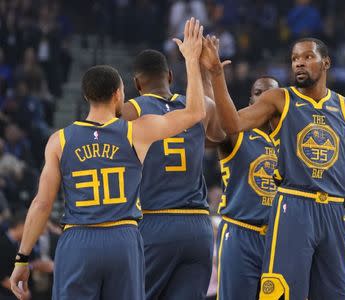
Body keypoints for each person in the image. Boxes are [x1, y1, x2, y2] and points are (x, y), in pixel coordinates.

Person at [200, 36, 345, 300]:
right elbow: (232, 125)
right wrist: (217, 74)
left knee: (337, 292)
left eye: (308, 57)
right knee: (284, 293)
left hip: (334, 210)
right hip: (294, 206)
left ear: (326, 63)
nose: (299, 63)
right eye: (295, 59)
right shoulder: (279, 99)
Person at [9, 17, 206, 300]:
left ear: (87, 96)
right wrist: (191, 60)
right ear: (118, 94)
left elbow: (42, 204)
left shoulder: (59, 140)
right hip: (122, 238)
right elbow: (196, 112)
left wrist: (22, 259)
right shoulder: (136, 131)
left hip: (78, 239)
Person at [120, 25, 224, 300]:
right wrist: (204, 71)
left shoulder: (131, 111)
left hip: (155, 221)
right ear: (169, 75)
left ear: (137, 84)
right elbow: (218, 136)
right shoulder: (202, 107)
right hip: (199, 227)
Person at [216, 76, 279, 300]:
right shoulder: (237, 134)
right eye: (259, 92)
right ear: (251, 101)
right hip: (241, 232)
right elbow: (215, 118)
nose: (265, 98)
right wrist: (212, 75)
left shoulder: (290, 141)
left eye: (272, 94)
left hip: (279, 238)